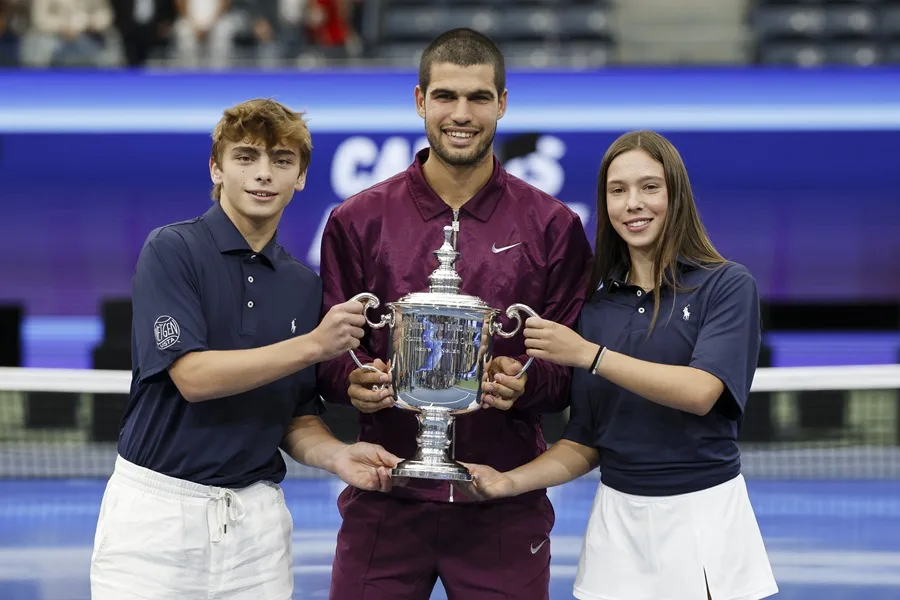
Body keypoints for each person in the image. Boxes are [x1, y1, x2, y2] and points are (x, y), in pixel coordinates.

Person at [317, 28, 593, 600]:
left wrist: (525, 382)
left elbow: (569, 368)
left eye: (478, 98)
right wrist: (354, 381)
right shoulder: (357, 221)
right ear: (420, 101)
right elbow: (330, 351)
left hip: (503, 504)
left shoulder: (553, 226)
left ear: (503, 103)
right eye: (445, 96)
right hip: (384, 500)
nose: (460, 114)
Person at [89, 98, 402, 600]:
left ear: (300, 177)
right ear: (216, 168)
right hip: (156, 518)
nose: (264, 175)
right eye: (245, 158)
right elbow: (193, 377)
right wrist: (313, 345)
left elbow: (295, 420)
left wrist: (338, 456)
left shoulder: (303, 285)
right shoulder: (171, 250)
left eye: (281, 161)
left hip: (257, 530)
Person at [461, 130, 779, 600]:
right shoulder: (596, 306)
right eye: (618, 190)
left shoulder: (726, 285)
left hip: (704, 524)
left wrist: (590, 355)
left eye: (650, 187)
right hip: (616, 528)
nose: (634, 203)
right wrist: (507, 482)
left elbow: (700, 392)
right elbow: (585, 440)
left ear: (676, 195)